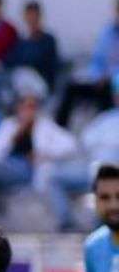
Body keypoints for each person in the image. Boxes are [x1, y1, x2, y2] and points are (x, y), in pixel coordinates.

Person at [0, 84, 77, 218]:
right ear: (19, 108)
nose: (29, 111)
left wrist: (45, 154)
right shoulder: (10, 125)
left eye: (32, 107)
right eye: (25, 107)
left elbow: (71, 145)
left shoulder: (45, 125)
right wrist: (15, 135)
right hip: (4, 168)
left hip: (27, 170)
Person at [47, 76, 119, 231]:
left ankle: (101, 229)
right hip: (92, 171)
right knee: (52, 176)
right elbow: (82, 146)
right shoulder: (103, 119)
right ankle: (67, 223)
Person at [56, 0, 119, 127]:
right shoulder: (106, 33)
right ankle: (59, 130)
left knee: (108, 91)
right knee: (71, 87)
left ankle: (107, 131)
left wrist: (111, 77)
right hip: (101, 81)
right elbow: (96, 61)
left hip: (114, 84)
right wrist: (97, 76)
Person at [7, 0, 59, 96]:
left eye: (34, 15)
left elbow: (39, 61)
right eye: (29, 15)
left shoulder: (48, 40)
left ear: (40, 16)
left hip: (40, 83)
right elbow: (11, 61)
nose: (32, 19)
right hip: (21, 81)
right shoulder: (21, 41)